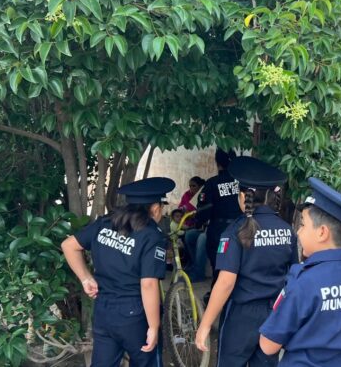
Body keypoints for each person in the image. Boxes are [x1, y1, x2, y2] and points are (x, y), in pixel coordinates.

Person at [259, 177, 341, 366]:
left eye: (302, 225)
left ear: (322, 232)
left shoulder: (303, 282)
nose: (298, 232)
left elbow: (268, 346)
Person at [195, 156, 298, 367]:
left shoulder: (235, 231)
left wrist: (205, 325)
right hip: (273, 315)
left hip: (240, 317)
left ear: (243, 197)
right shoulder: (287, 230)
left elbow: (225, 283)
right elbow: (293, 275)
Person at [61, 177, 174, 367]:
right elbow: (148, 284)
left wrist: (86, 278)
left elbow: (68, 245)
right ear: (155, 208)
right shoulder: (152, 235)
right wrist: (154, 326)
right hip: (135, 313)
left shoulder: (106, 223)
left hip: (104, 310)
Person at [194, 149, 241, 295]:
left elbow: (203, 209)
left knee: (218, 263)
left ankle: (217, 292)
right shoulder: (242, 183)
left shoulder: (212, 183)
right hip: (241, 228)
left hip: (219, 230)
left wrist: (198, 223)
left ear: (218, 163)